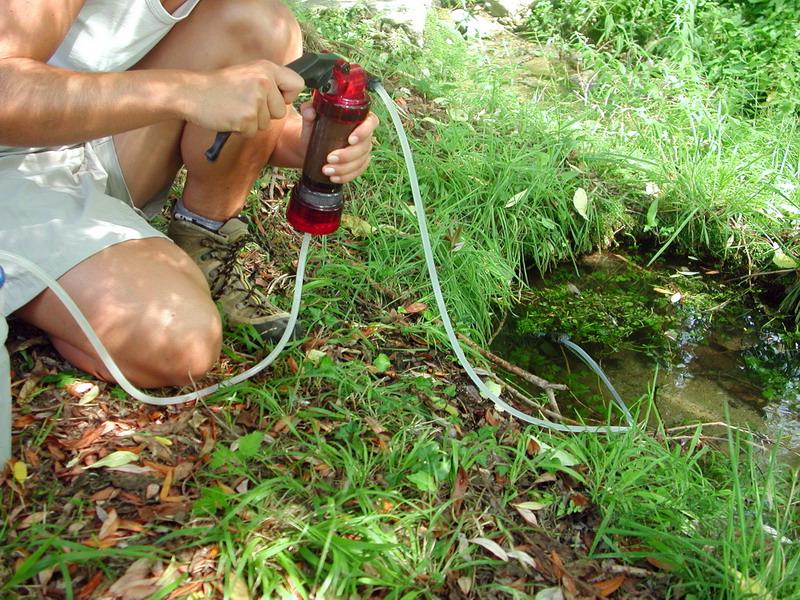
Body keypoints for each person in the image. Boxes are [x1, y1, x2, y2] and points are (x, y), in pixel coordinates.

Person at [0, 0, 379, 389]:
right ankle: (46, 284)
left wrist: (303, 144)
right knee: (180, 343)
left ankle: (203, 243)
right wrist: (186, 91)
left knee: (262, 24)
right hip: (10, 168)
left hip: (90, 141)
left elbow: (222, 102)